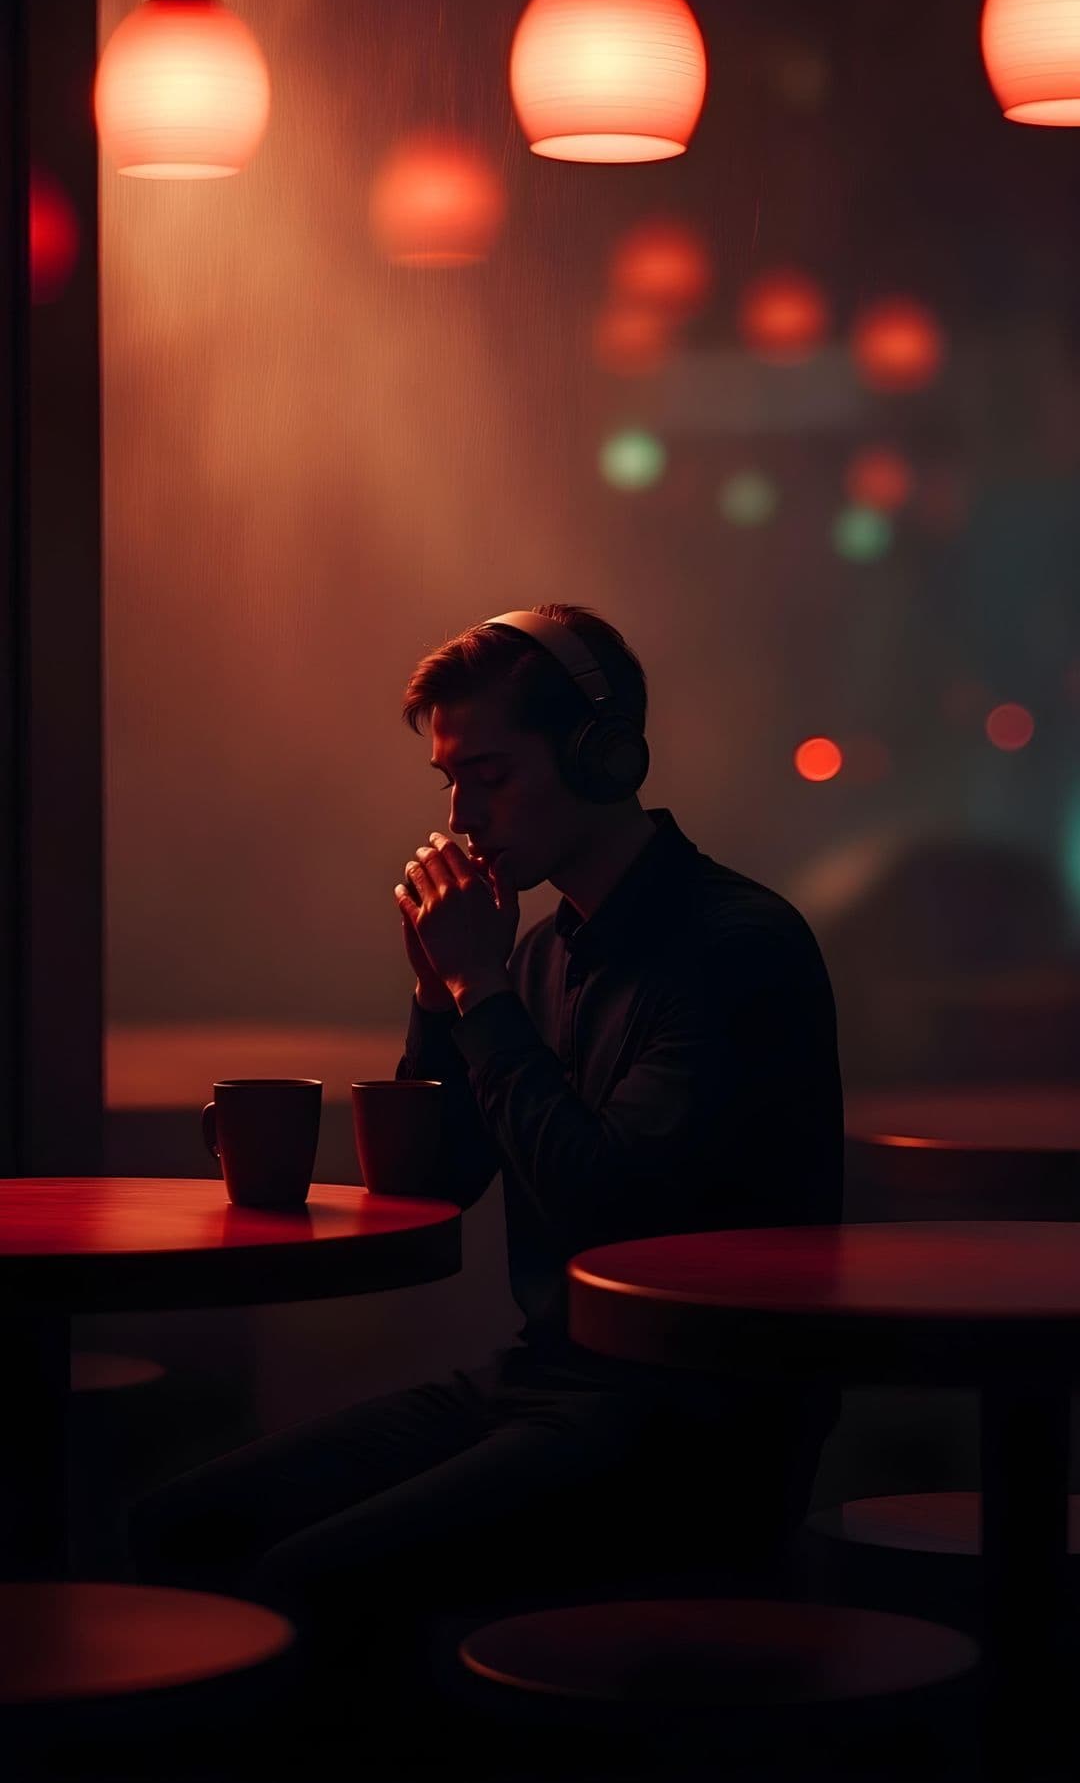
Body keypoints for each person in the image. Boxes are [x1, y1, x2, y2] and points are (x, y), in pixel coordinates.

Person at [129, 602, 844, 1739]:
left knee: (313, 1581)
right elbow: (440, 1185)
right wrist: (436, 994)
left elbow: (613, 1208)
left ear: (604, 756)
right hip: (540, 1384)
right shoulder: (536, 951)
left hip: (690, 1432)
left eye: (492, 776)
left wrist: (482, 998)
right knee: (175, 1527)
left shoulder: (736, 948)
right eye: (449, 782)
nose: (462, 817)